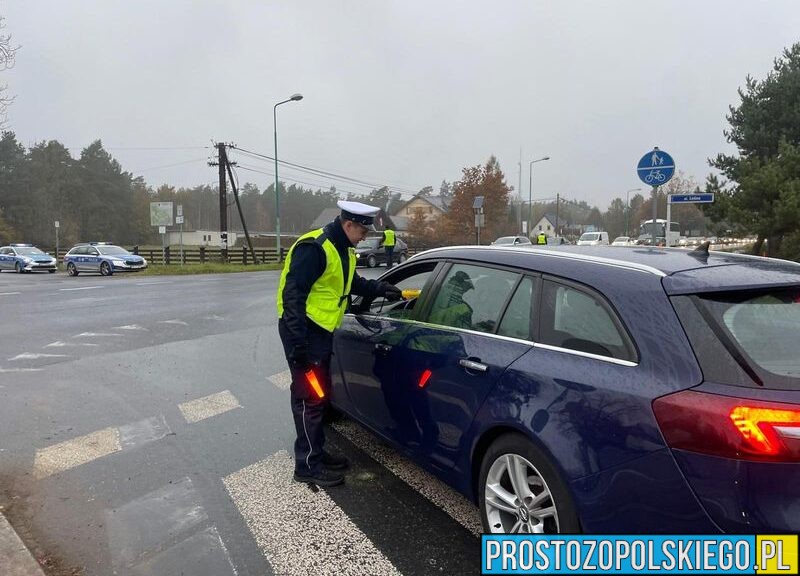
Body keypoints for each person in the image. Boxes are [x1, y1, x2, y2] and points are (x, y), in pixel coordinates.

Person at [277, 200, 402, 487]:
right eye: (362, 232)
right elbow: (292, 297)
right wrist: (298, 345)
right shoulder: (315, 248)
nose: (364, 237)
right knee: (310, 398)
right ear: (348, 225)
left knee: (320, 396)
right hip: (304, 332)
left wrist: (379, 288)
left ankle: (316, 452)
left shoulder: (341, 248)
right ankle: (307, 465)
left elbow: (349, 282)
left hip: (320, 331)